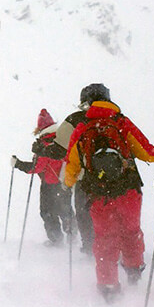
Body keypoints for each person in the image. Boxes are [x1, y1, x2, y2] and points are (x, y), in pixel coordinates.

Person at [63, 87, 154, 301]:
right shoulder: (122, 122)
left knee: (104, 239)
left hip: (99, 195)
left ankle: (108, 285)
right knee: (131, 232)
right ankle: (133, 270)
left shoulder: (83, 127)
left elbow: (71, 167)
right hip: (128, 190)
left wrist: (68, 183)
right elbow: (148, 153)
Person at [52, 84, 108, 255]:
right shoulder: (119, 119)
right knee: (109, 216)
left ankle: (91, 251)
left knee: (85, 215)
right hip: (114, 179)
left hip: (86, 179)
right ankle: (115, 251)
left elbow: (58, 149)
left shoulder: (76, 120)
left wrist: (40, 150)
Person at [12, 108, 72, 245]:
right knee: (66, 210)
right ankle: (72, 237)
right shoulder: (61, 140)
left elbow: (36, 168)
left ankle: (56, 239)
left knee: (48, 212)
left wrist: (18, 164)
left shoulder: (45, 145)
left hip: (49, 185)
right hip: (65, 182)